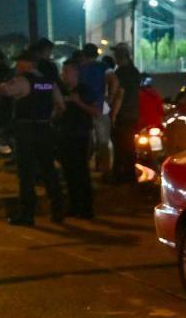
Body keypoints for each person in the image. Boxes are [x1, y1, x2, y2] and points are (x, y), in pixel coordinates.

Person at [0, 50, 65, 225]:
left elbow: (2, 91)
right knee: (48, 169)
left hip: (26, 130)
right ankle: (58, 209)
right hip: (44, 129)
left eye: (19, 63)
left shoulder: (22, 80)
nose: (16, 66)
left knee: (26, 173)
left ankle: (27, 215)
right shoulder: (49, 83)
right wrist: (48, 119)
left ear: (29, 64)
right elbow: (60, 106)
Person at [57, 58, 96, 218]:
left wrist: (78, 102)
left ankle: (86, 209)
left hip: (80, 136)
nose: (63, 75)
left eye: (67, 71)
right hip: (64, 135)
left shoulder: (85, 90)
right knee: (68, 173)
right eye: (62, 71)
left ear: (76, 74)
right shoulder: (60, 90)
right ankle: (73, 206)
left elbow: (95, 111)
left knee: (82, 172)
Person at [108, 43, 141, 184]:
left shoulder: (120, 73)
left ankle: (120, 176)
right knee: (129, 146)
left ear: (120, 56)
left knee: (120, 146)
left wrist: (113, 114)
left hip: (122, 114)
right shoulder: (135, 71)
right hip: (133, 113)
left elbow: (120, 94)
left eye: (116, 54)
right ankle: (130, 174)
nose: (114, 57)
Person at [78, 43, 113, 175]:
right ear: (97, 54)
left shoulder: (80, 69)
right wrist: (109, 98)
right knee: (103, 141)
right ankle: (105, 170)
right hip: (101, 106)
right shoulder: (104, 67)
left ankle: (84, 170)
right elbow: (114, 82)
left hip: (84, 107)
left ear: (84, 54)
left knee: (86, 140)